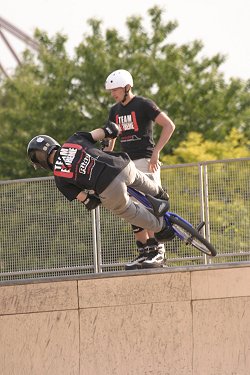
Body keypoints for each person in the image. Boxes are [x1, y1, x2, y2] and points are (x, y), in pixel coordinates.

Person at [27, 122, 175, 259]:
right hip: (121, 165)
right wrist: (109, 139)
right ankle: (160, 194)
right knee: (137, 177)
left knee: (127, 210)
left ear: (41, 161)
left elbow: (89, 201)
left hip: (108, 188)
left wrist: (94, 195)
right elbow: (110, 130)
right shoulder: (74, 140)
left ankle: (161, 227)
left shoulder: (59, 178)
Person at [104, 69, 175, 270]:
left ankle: (159, 251)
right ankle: (145, 250)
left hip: (145, 160)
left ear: (127, 87)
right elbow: (111, 138)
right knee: (132, 207)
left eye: (116, 89)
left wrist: (156, 153)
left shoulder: (143, 104)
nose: (113, 94)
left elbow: (169, 126)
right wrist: (107, 155)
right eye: (111, 91)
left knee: (151, 204)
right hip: (126, 165)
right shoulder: (114, 111)